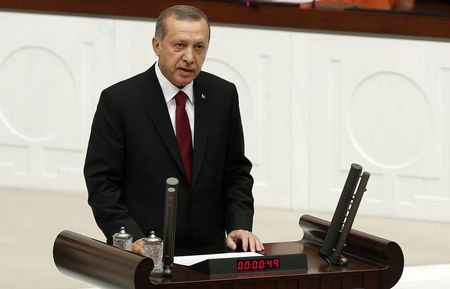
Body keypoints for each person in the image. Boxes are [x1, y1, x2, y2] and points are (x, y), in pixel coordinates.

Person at [84, 5, 264, 254]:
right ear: (157, 45)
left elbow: (236, 172)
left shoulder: (223, 95)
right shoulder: (119, 101)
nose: (190, 57)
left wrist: (239, 224)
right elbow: (102, 182)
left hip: (210, 251)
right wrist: (131, 237)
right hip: (145, 252)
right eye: (180, 45)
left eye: (199, 47)